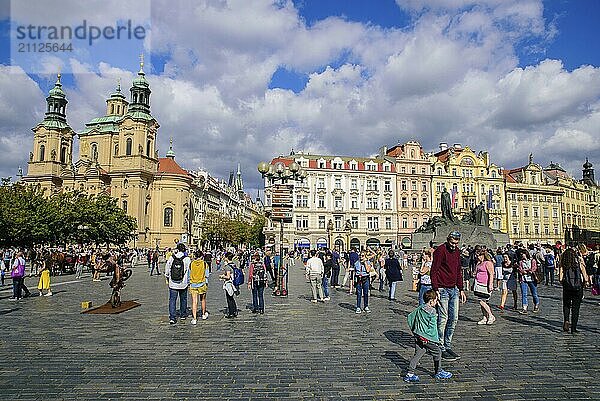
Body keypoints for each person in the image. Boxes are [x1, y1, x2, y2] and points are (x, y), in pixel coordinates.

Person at [430, 231, 466, 361]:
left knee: (454, 318)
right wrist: (435, 289)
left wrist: (461, 289)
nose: (454, 245)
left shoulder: (457, 251)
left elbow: (458, 271)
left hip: (454, 289)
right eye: (452, 242)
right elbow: (434, 270)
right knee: (443, 318)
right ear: (448, 239)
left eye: (456, 243)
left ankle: (447, 345)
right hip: (442, 289)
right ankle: (440, 346)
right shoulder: (440, 250)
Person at [404, 289, 453, 382]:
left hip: (418, 336)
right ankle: (438, 371)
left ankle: (409, 374)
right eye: (436, 300)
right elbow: (432, 328)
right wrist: (435, 339)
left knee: (418, 354)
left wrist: (415, 331)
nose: (437, 302)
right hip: (427, 338)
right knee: (438, 352)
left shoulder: (420, 308)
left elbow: (410, 317)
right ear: (431, 301)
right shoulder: (432, 312)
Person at [559, 248, 589, 333]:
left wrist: (564, 283)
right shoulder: (579, 261)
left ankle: (566, 320)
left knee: (566, 305)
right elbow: (584, 274)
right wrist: (585, 282)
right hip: (578, 287)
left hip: (567, 287)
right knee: (576, 308)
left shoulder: (563, 263)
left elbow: (560, 278)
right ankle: (574, 328)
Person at [165, 243, 191, 324]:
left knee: (172, 300)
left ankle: (172, 317)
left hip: (173, 283)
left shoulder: (171, 257)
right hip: (183, 283)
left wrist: (167, 277)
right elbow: (189, 271)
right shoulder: (187, 259)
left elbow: (167, 269)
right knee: (183, 299)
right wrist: (189, 281)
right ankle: (183, 315)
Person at [473, 250, 496, 325]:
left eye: (478, 255)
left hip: (485, 284)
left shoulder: (488, 263)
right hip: (478, 284)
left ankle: (490, 315)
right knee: (482, 302)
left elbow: (491, 274)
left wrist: (490, 284)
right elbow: (475, 273)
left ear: (483, 255)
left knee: (481, 301)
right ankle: (484, 317)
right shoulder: (479, 263)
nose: (477, 257)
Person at [189, 250, 209, 325]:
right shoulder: (204, 264)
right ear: (201, 256)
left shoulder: (191, 264)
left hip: (193, 284)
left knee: (194, 302)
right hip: (202, 284)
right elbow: (207, 275)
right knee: (203, 299)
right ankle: (203, 314)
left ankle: (194, 319)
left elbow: (189, 274)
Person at [518, 250, 540, 314]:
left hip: (532, 279)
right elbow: (520, 270)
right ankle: (524, 308)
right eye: (521, 254)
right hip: (523, 279)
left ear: (526, 254)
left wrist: (526, 270)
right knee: (524, 294)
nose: (522, 255)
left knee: (534, 294)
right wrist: (522, 271)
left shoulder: (532, 261)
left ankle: (536, 305)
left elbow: (534, 269)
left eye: (523, 254)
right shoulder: (520, 262)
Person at [220, 251, 238, 318]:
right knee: (232, 298)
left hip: (229, 283)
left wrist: (222, 276)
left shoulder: (227, 266)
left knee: (229, 298)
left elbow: (228, 276)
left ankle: (231, 313)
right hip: (233, 283)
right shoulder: (234, 264)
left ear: (227, 258)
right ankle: (235, 311)